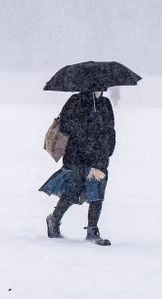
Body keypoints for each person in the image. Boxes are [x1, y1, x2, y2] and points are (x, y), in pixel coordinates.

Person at [40, 89, 116, 246]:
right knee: (71, 193)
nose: (100, 89)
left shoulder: (105, 103)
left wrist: (108, 151)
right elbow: (66, 126)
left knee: (97, 194)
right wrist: (87, 122)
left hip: (99, 157)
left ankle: (92, 230)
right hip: (77, 156)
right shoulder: (76, 101)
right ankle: (54, 219)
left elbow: (110, 130)